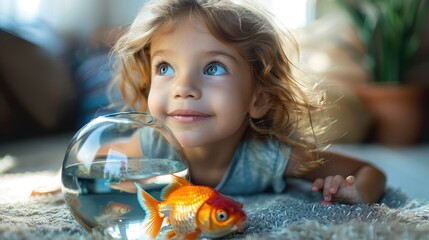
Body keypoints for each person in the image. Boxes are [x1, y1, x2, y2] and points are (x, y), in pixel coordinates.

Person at [107, 0, 386, 204]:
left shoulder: (269, 158)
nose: (184, 88)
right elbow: (84, 170)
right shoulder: (147, 148)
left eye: (213, 68)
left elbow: (369, 171)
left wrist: (355, 192)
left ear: (259, 99)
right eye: (165, 68)